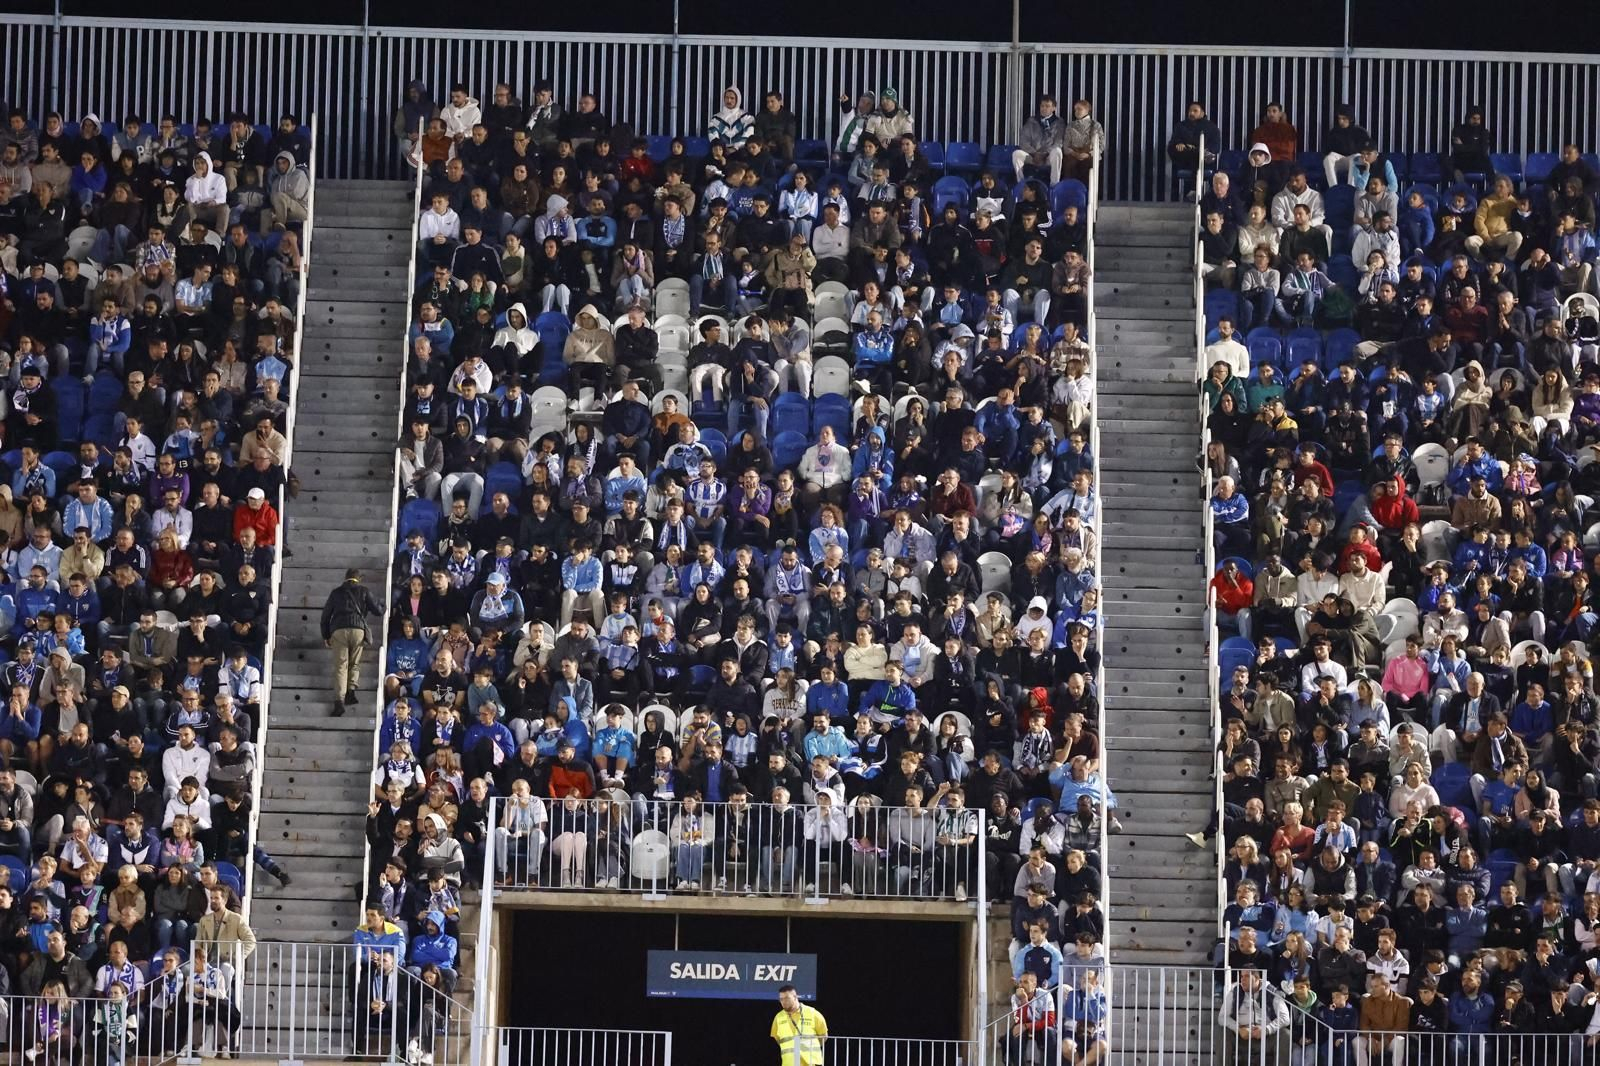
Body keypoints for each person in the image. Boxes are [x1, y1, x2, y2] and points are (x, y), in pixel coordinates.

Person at [322, 567, 383, 713]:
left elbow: (325, 616)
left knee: (341, 666)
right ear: (358, 579)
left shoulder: (335, 593)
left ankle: (339, 702)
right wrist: (384, 605)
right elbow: (377, 610)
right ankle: (351, 691)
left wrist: (326, 635)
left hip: (338, 630)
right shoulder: (364, 591)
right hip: (358, 630)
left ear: (345, 578)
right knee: (354, 663)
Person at [771, 983, 827, 1066]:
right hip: (789, 1063)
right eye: (781, 999)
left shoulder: (813, 1013)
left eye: (787, 998)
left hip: (811, 1063)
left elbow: (823, 1036)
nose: (783, 1002)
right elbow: (778, 1039)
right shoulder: (778, 1018)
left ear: (795, 997)